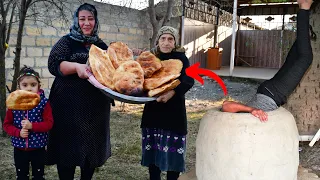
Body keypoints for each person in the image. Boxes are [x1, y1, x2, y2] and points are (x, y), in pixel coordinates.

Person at [46, 3, 113, 180]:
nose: (86, 23)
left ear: (95, 21)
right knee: (66, 149)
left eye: (90, 19)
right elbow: (54, 64)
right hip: (66, 106)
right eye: (82, 19)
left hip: (95, 109)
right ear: (77, 20)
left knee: (90, 148)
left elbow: (112, 71)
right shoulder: (67, 41)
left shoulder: (101, 46)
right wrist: (76, 67)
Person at [222, 0, 314, 122]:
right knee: (297, 57)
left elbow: (225, 105)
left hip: (272, 94)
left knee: (305, 58)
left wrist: (252, 110)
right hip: (270, 93)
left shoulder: (239, 121)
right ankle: (305, 27)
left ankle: (304, 6)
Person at [140, 26, 195, 180]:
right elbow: (140, 79)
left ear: (175, 41)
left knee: (173, 161)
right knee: (153, 159)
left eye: (170, 39)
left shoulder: (181, 58)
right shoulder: (151, 57)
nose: (166, 42)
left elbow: (188, 80)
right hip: (153, 113)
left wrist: (172, 93)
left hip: (173, 114)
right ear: (158, 40)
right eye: (163, 38)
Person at [3, 66, 54, 180]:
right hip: (19, 149)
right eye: (25, 85)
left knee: (38, 175)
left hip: (38, 148)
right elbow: (7, 125)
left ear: (38, 86)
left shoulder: (44, 103)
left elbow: (49, 123)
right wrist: (18, 132)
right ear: (19, 87)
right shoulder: (13, 105)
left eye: (33, 84)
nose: (29, 88)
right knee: (21, 176)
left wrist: (32, 126)